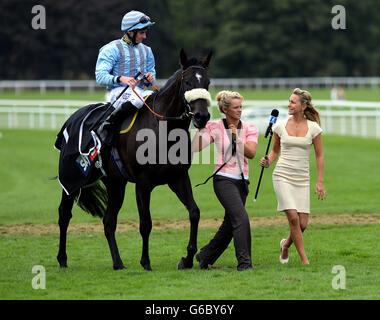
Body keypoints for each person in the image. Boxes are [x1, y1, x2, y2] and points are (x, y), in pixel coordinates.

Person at [192, 90, 258, 271]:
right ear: (225, 110)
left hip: (243, 181)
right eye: (236, 107)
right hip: (223, 180)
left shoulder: (250, 128)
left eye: (241, 107)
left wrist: (236, 137)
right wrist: (200, 128)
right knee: (241, 218)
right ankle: (245, 264)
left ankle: (204, 256)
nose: (240, 111)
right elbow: (195, 148)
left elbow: (251, 153)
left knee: (230, 225)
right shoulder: (215, 127)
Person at [260, 88, 327, 265]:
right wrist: (268, 161)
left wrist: (319, 182)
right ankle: (305, 260)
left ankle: (285, 244)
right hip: (282, 175)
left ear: (303, 106)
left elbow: (319, 156)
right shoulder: (280, 126)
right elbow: (274, 152)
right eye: (289, 101)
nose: (289, 105)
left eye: (293, 102)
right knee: (293, 218)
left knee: (303, 224)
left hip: (302, 178)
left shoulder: (314, 128)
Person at [95, 10, 156, 143]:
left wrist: (149, 79)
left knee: (158, 100)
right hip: (117, 91)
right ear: (130, 32)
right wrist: (120, 78)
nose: (144, 36)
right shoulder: (111, 49)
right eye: (142, 33)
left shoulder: (147, 51)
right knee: (138, 101)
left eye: (145, 32)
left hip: (139, 91)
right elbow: (100, 76)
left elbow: (152, 73)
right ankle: (107, 125)